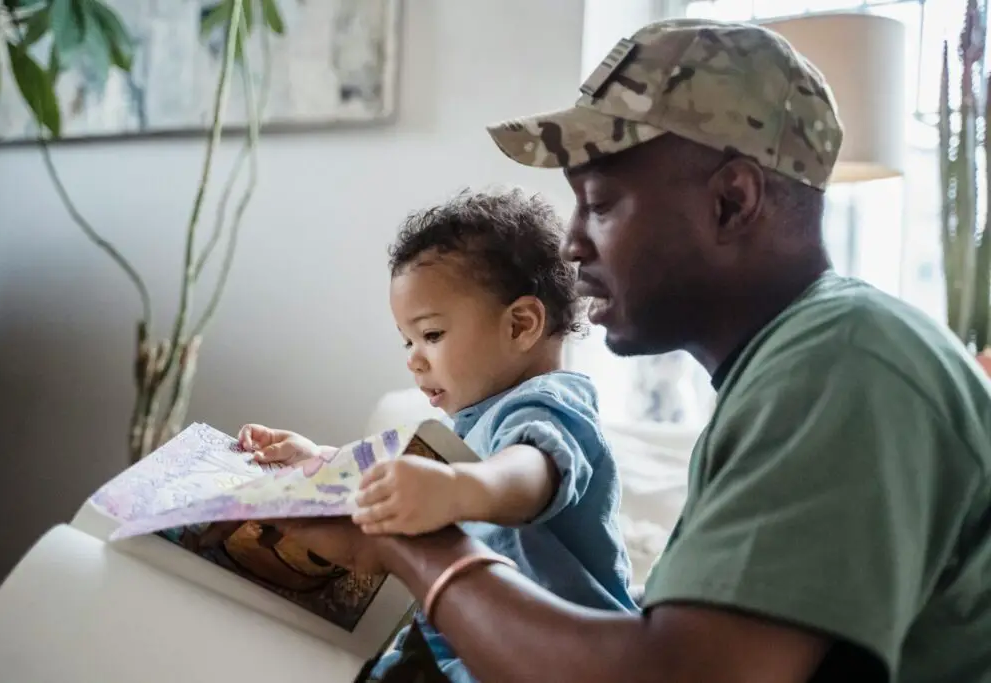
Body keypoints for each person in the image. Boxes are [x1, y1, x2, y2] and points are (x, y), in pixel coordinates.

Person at [267, 17, 991, 683]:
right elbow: (686, 627)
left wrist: (416, 548)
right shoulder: (799, 361)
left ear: (732, 201)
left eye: (602, 204)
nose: (573, 242)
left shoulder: (842, 363)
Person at [240, 188, 637, 682]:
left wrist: (457, 491)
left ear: (521, 325)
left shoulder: (550, 404)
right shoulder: (471, 424)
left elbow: (531, 473)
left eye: (431, 335)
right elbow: (402, 472)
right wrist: (318, 461)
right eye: (407, 340)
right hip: (468, 649)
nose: (413, 358)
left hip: (560, 659)